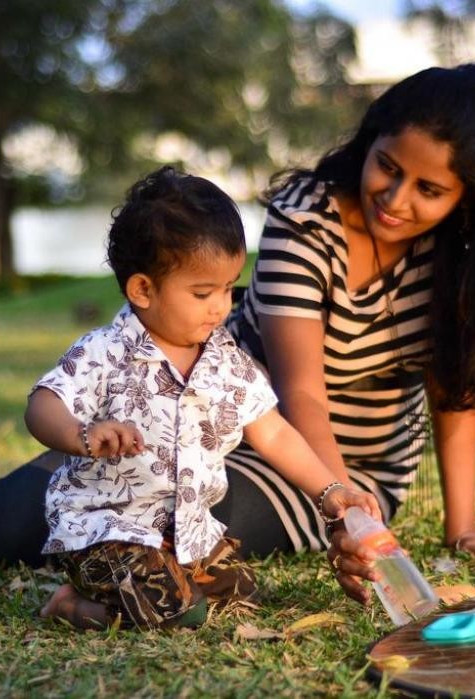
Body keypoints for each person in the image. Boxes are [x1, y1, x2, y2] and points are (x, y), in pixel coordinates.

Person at [0, 63, 475, 609]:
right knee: (7, 520)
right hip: (207, 430)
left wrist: (402, 521)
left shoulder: (462, 252)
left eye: (429, 190)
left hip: (333, 471)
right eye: (390, 168)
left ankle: (110, 593)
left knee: (173, 525)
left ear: (465, 197)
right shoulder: (307, 218)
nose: (396, 200)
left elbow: (458, 389)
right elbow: (302, 388)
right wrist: (85, 435)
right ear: (370, 142)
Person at [25, 166, 379, 630]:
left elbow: (272, 431)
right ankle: (73, 605)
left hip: (188, 536)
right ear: (143, 289)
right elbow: (42, 405)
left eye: (229, 288)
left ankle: (156, 587)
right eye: (202, 292)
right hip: (108, 532)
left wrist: (330, 491)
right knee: (177, 612)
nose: (220, 307)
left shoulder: (224, 359)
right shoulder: (104, 352)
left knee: (242, 599)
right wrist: (81, 434)